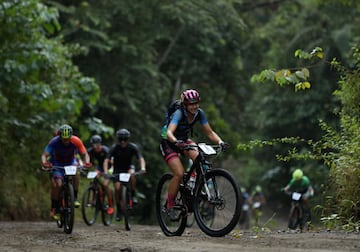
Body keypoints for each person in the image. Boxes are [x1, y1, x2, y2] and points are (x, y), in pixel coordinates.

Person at [159, 89, 228, 220]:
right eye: (191, 104)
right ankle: (169, 204)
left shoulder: (199, 113)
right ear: (185, 104)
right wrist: (176, 141)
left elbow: (209, 132)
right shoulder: (179, 113)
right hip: (169, 142)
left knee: (200, 158)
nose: (194, 106)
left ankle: (194, 189)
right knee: (179, 173)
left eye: (196, 103)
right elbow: (169, 132)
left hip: (183, 141)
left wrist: (220, 142)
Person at [41, 124, 92, 220]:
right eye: (64, 139)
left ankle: (75, 197)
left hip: (70, 162)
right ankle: (56, 208)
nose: (66, 141)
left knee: (75, 173)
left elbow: (85, 154)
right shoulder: (54, 142)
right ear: (59, 137)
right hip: (57, 164)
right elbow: (44, 155)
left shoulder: (76, 140)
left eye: (68, 139)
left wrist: (87, 162)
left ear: (71, 137)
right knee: (58, 185)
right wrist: (44, 163)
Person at [103, 128, 146, 221]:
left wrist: (142, 168)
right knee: (117, 189)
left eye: (125, 139)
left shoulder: (132, 147)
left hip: (128, 168)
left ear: (128, 139)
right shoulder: (114, 148)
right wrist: (106, 172)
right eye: (120, 140)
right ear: (118, 140)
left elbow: (140, 158)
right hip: (117, 170)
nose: (123, 142)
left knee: (132, 175)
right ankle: (119, 209)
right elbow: (106, 160)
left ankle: (133, 195)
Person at [87, 135, 114, 215]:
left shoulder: (105, 150)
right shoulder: (91, 151)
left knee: (105, 185)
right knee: (93, 179)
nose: (95, 146)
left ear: (100, 144)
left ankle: (110, 204)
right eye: (93, 144)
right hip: (99, 167)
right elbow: (88, 161)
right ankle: (94, 199)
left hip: (108, 168)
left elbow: (111, 161)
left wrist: (109, 171)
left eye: (97, 144)